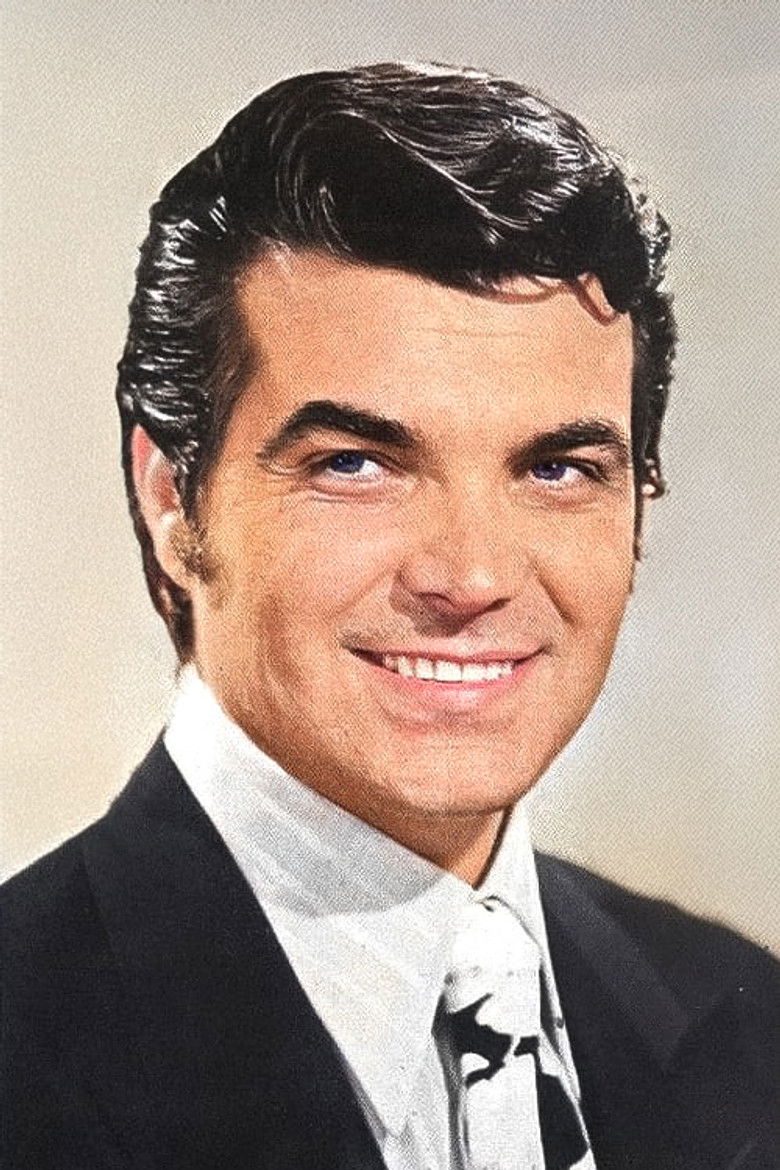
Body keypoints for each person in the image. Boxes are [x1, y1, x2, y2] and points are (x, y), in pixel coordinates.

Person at [1, 63, 776, 1170]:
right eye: (356, 463)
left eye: (557, 469)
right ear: (173, 499)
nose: (471, 576)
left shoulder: (748, 1025)